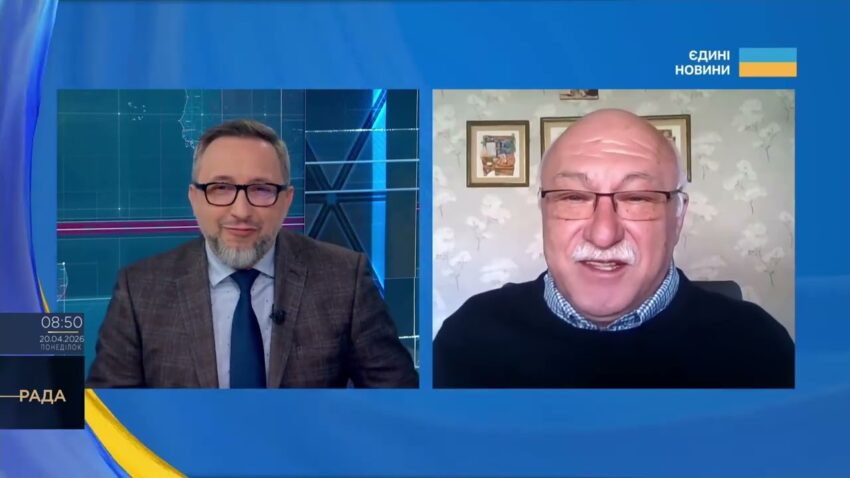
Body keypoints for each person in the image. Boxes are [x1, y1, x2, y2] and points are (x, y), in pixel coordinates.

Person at [434, 109, 794, 388]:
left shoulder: (758, 348)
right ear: (543, 210)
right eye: (573, 197)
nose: (603, 235)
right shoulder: (468, 339)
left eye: (638, 198)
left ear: (678, 216)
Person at [88, 119, 418, 388]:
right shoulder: (139, 290)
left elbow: (399, 403)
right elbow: (105, 420)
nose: (241, 211)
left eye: (261, 189)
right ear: (194, 198)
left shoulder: (345, 279)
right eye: (221, 188)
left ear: (287, 200)